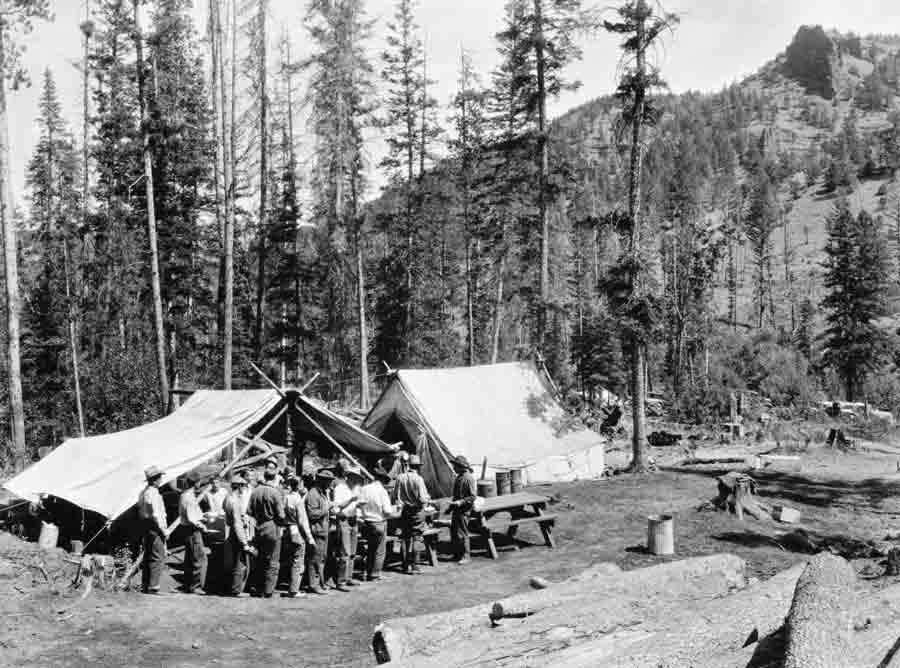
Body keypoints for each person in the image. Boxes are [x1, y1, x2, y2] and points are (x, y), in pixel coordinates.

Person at [247, 458, 286, 597]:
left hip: (259, 526)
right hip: (272, 526)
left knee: (260, 560)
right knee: (273, 561)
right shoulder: (275, 493)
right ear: (274, 477)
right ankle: (268, 590)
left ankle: (258, 588)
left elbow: (249, 512)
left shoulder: (255, 491)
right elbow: (281, 515)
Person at [358, 465, 397, 581]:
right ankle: (375, 574)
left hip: (366, 522)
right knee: (379, 550)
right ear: (383, 480)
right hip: (378, 522)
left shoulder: (364, 489)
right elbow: (387, 511)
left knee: (370, 548)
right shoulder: (382, 491)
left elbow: (360, 505)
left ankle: (366, 571)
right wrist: (396, 510)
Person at [393, 454, 430, 574]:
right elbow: (423, 499)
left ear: (408, 465)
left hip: (405, 511)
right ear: (418, 466)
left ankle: (405, 565)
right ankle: (415, 565)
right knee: (417, 538)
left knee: (405, 538)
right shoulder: (418, 479)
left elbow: (395, 496)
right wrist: (427, 500)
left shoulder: (400, 478)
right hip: (417, 511)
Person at [137, 465, 168, 594]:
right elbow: (156, 514)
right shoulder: (153, 494)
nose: (161, 480)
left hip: (147, 525)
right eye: (160, 478)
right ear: (155, 479)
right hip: (154, 527)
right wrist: (163, 530)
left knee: (149, 555)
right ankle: (153, 586)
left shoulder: (144, 492)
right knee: (158, 556)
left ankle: (146, 584)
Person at [331, 461, 362, 591]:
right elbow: (337, 507)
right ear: (348, 476)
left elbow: (355, 505)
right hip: (343, 519)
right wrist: (351, 500)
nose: (356, 480)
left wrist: (359, 507)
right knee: (344, 552)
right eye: (355, 477)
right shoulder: (340, 488)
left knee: (353, 551)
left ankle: (349, 577)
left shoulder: (354, 488)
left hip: (353, 520)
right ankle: (341, 581)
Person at [223, 472, 254, 596]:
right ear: (240, 487)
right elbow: (237, 524)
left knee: (236, 560)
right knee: (240, 562)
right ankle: (236, 589)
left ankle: (235, 588)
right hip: (237, 533)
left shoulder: (228, 498)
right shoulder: (235, 501)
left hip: (231, 532)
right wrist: (244, 542)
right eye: (243, 486)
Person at [282, 476, 313, 598]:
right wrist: (309, 536)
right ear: (299, 485)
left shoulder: (287, 497)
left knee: (292, 559)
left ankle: (292, 587)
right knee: (298, 561)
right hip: (297, 531)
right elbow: (302, 520)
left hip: (289, 529)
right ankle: (294, 589)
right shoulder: (298, 500)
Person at [178, 474, 210, 594]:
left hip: (186, 529)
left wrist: (202, 516)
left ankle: (188, 585)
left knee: (189, 558)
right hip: (192, 530)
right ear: (196, 483)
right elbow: (192, 518)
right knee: (199, 558)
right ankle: (196, 586)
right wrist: (203, 527)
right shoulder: (189, 497)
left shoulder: (184, 495)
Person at [305, 469, 333, 594]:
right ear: (322, 481)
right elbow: (312, 514)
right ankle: (313, 585)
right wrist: (327, 508)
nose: (330, 484)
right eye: (328, 481)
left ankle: (320, 583)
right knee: (315, 559)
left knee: (321, 558)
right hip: (317, 531)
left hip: (323, 530)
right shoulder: (313, 494)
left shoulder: (322, 493)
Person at [448, 455, 477, 565]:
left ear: (461, 466)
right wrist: (450, 507)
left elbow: (473, 496)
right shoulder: (459, 477)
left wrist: (460, 502)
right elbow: (456, 495)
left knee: (463, 532)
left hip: (464, 510)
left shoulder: (468, 478)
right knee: (454, 532)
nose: (453, 468)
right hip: (456, 509)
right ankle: (457, 553)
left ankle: (466, 555)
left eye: (455, 466)